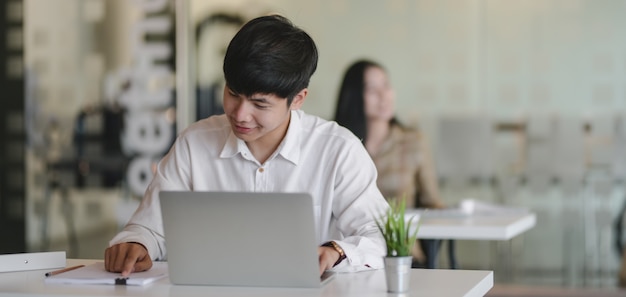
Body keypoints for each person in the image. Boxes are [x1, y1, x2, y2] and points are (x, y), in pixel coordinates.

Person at [104, 15, 389, 277]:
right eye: (232, 93)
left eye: (259, 103)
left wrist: (335, 251)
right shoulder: (194, 144)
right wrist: (136, 243)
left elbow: (378, 235)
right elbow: (149, 227)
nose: (240, 114)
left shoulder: (338, 150)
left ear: (298, 99)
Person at [334, 59, 445, 265]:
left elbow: (433, 204)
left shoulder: (413, 141)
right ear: (354, 97)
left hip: (401, 253)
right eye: (372, 89)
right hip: (350, 255)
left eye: (386, 86)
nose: (383, 96)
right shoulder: (339, 144)